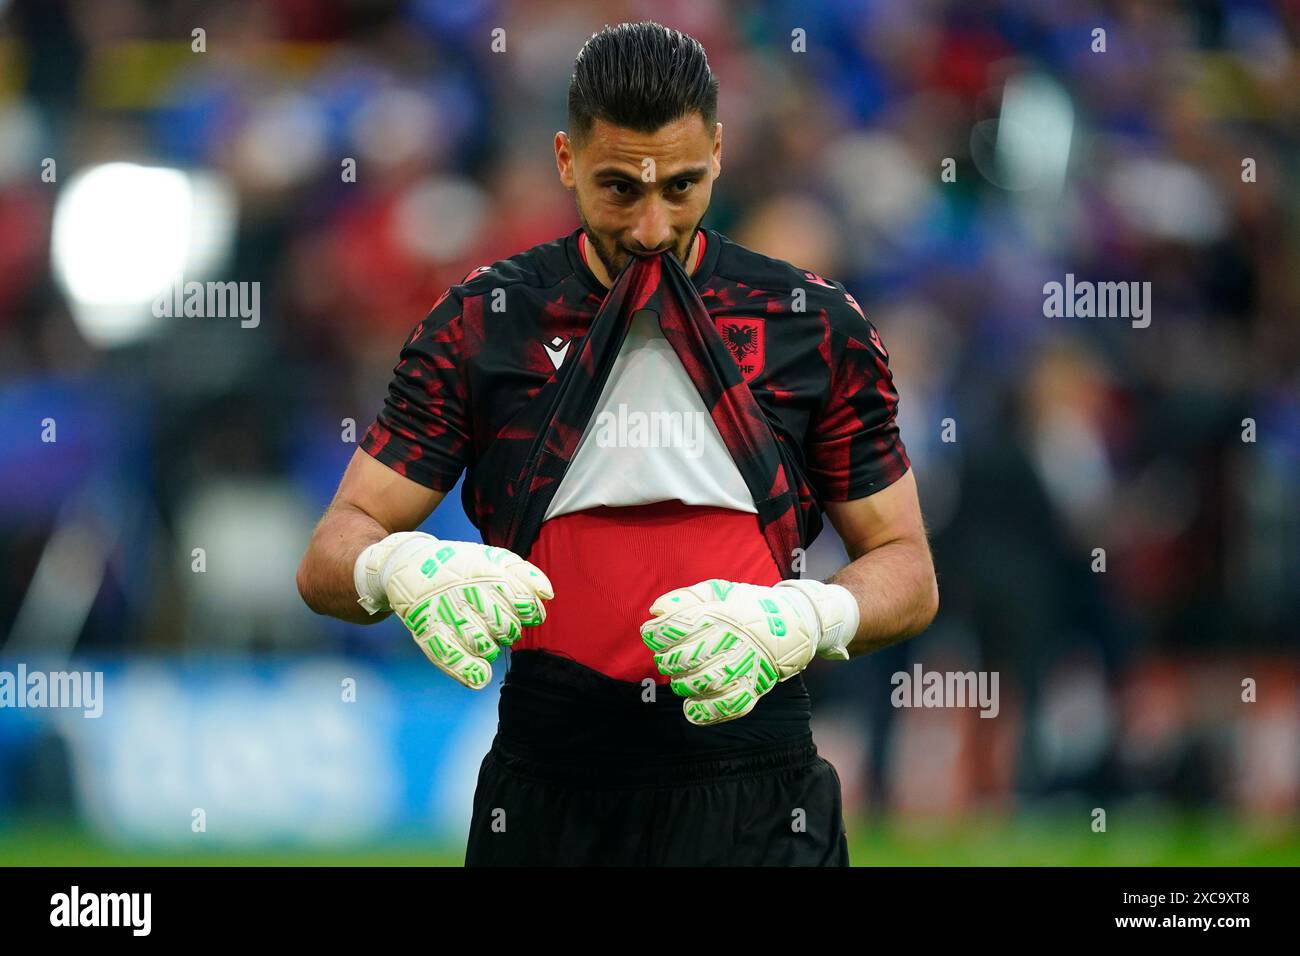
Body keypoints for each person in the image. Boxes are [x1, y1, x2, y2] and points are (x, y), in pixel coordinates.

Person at [296, 21, 938, 866]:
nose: (650, 227)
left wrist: (812, 614)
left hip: (754, 776)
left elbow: (907, 568)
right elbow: (328, 556)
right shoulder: (484, 325)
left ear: (717, 149)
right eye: (618, 190)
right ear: (565, 160)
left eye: (681, 186)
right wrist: (397, 569)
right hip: (550, 775)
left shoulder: (811, 327)